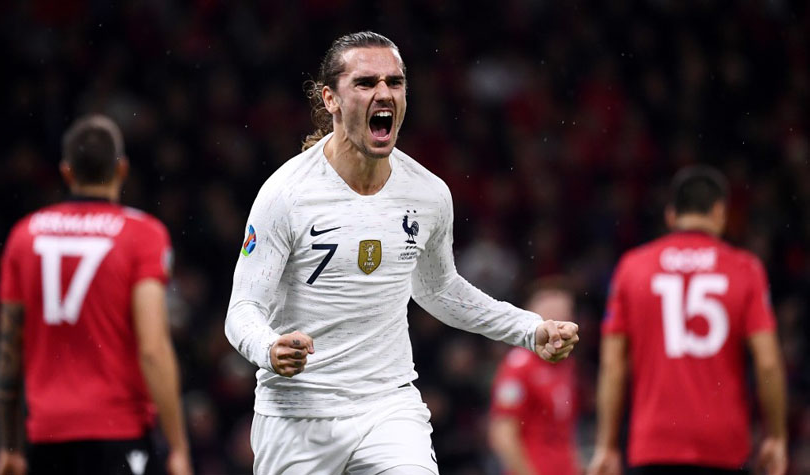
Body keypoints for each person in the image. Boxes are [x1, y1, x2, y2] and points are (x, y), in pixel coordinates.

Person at [224, 31, 580, 475]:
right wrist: (269, 347)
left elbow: (440, 290)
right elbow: (242, 310)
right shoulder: (285, 194)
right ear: (330, 99)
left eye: (394, 82)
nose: (383, 93)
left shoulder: (428, 193)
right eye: (366, 82)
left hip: (388, 406)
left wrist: (530, 329)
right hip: (298, 413)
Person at [0, 115, 192, 475]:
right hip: (118, 432)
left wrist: (10, 446)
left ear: (66, 173)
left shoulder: (25, 236)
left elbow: (9, 350)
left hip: (46, 434)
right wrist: (177, 445)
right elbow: (152, 348)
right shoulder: (143, 235)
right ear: (122, 169)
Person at [588, 166, 788, 475]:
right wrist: (775, 436)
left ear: (671, 215)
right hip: (723, 443)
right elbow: (768, 363)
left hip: (654, 442)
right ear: (720, 212)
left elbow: (613, 365)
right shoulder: (745, 268)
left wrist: (606, 445)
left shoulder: (633, 268)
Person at [489, 277, 580, 475]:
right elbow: (503, 432)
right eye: (550, 312)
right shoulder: (519, 365)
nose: (558, 318)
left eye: (563, 312)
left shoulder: (566, 364)